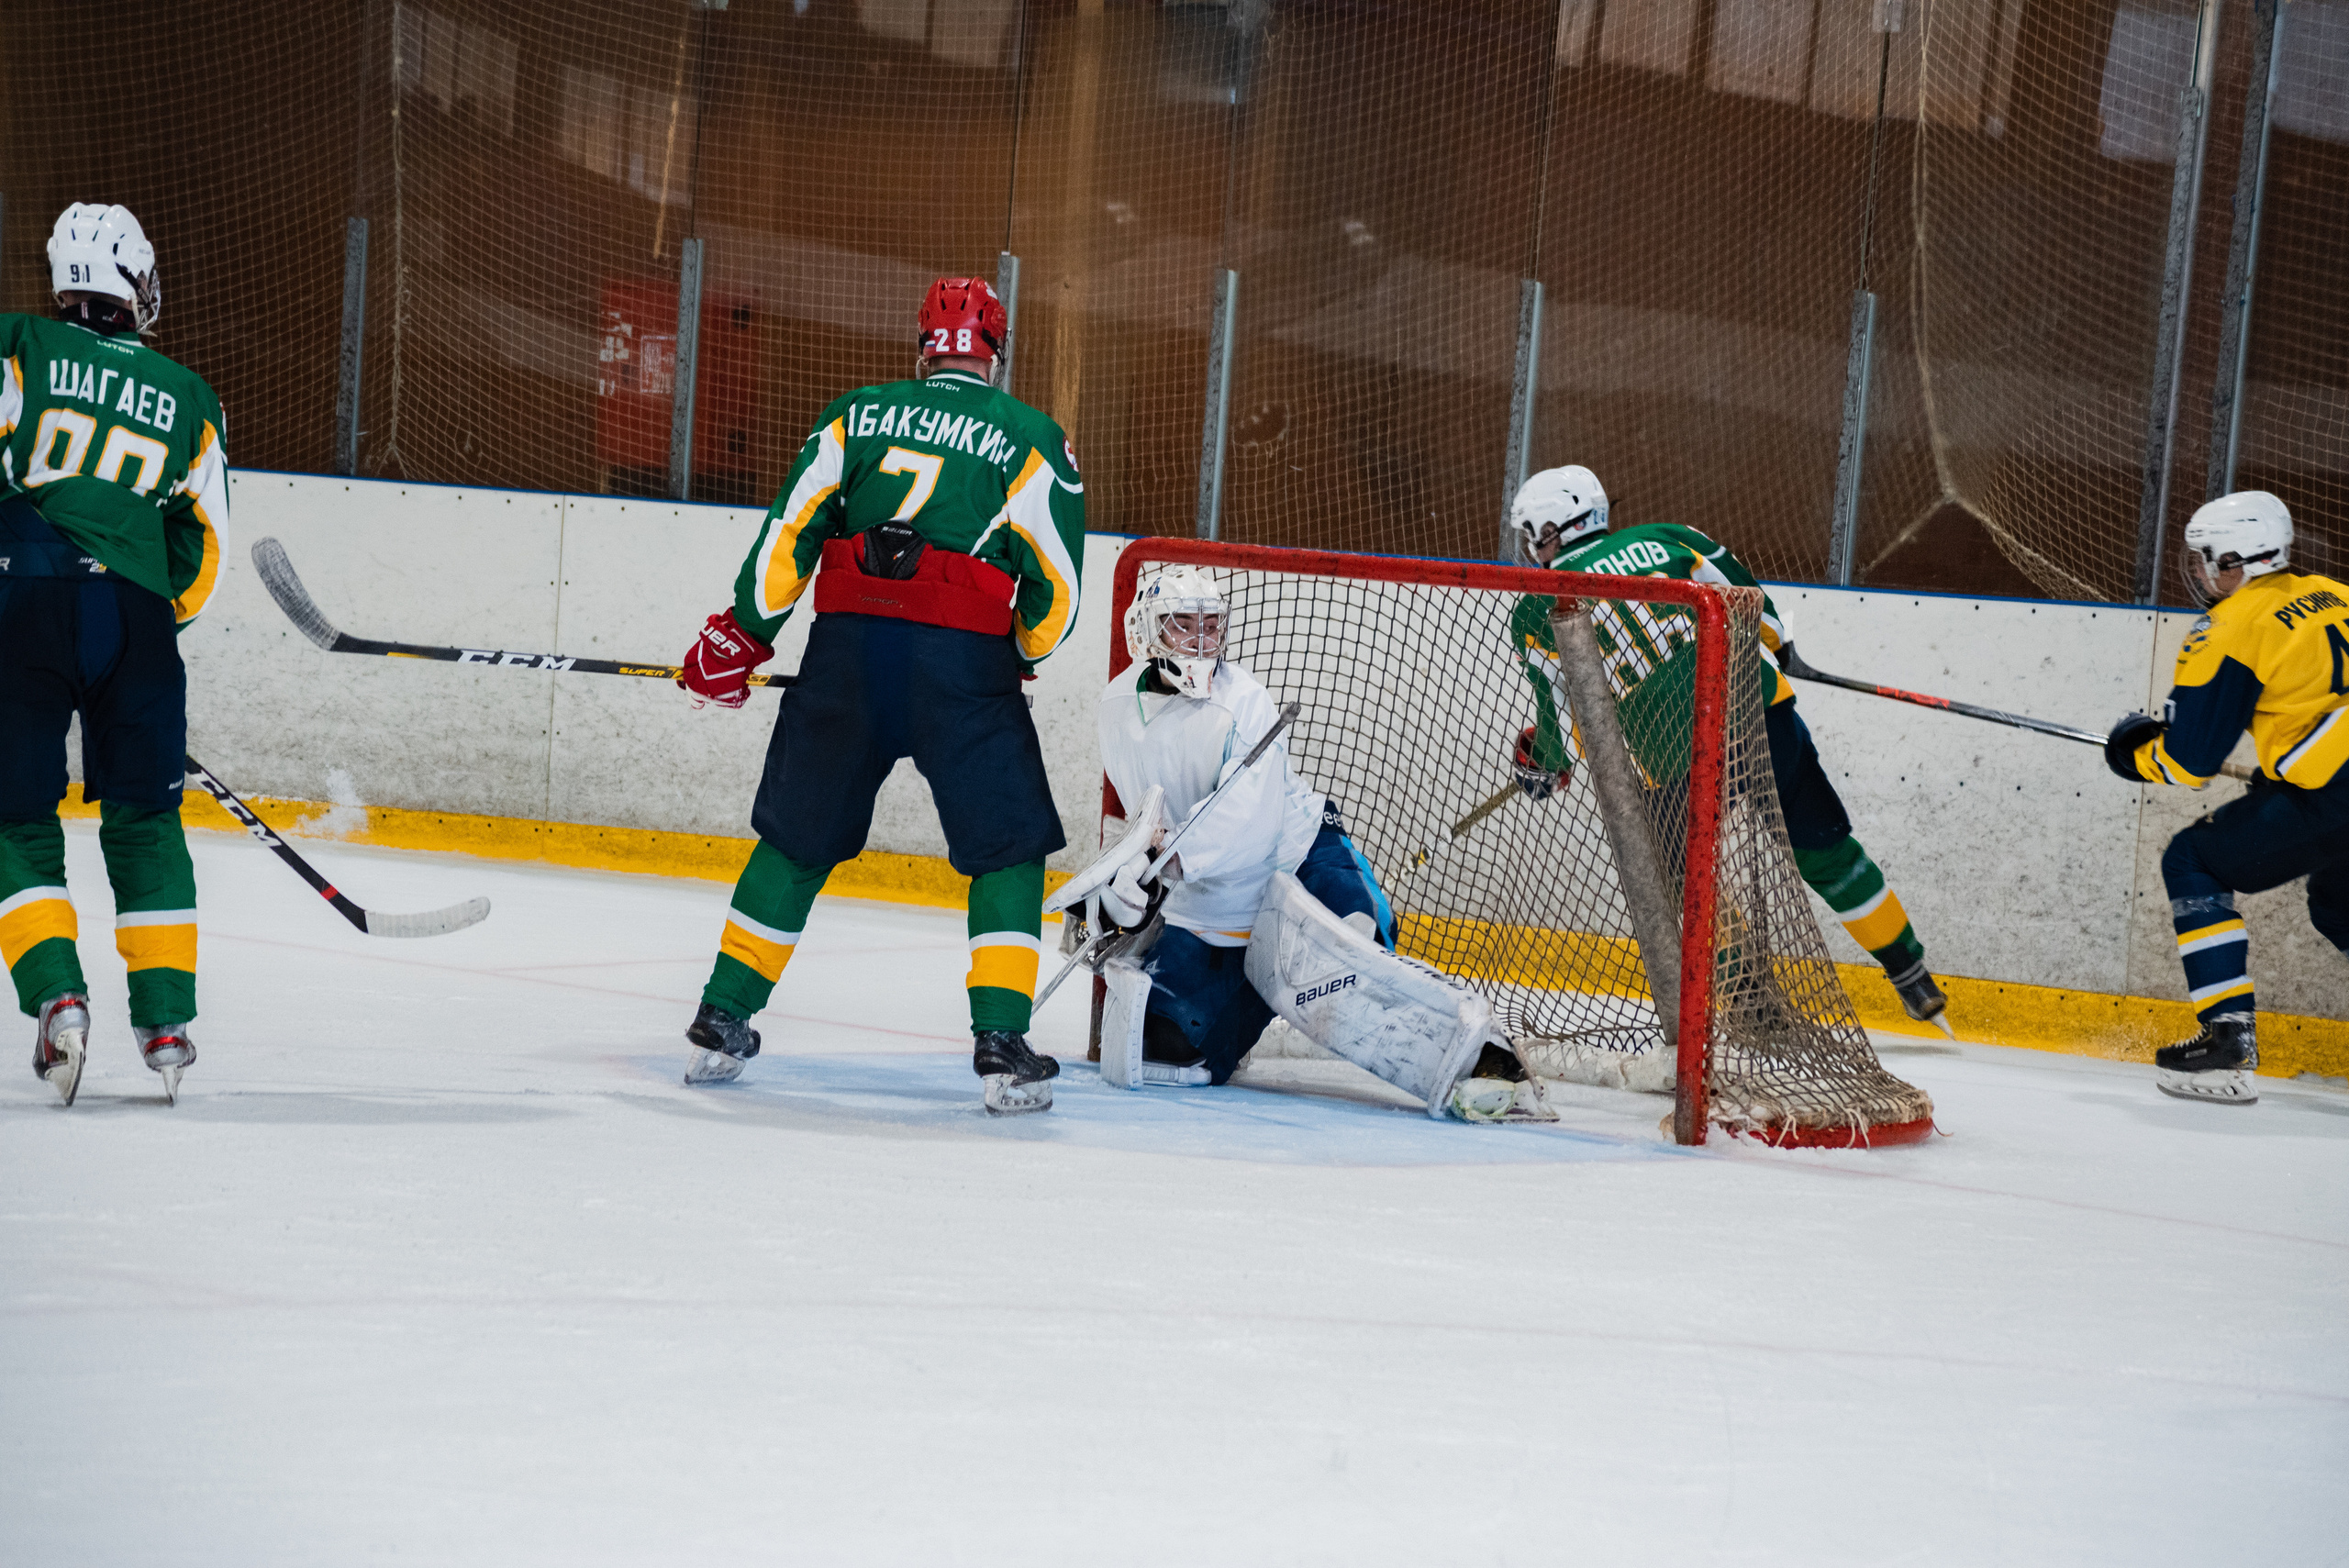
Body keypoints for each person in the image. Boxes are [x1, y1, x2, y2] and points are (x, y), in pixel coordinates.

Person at [674, 277, 1085, 1114]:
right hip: (963, 671)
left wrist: (743, 637)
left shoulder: (854, 414)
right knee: (1007, 849)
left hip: (847, 656)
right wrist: (1020, 648)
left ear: (924, 343)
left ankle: (724, 1014)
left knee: (797, 838)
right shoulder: (1034, 439)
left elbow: (792, 530)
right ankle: (1001, 1040)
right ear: (995, 349)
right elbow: (1059, 589)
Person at [1076, 566, 1539, 1114]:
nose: (1200, 642)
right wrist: (1132, 877)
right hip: (1212, 902)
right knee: (1170, 1049)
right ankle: (1248, 996)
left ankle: (1484, 1056)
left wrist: (1166, 865)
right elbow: (1149, 811)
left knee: (1358, 961)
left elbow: (1248, 822)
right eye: (1181, 625)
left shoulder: (1243, 700)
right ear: (1146, 633)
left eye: (1210, 626)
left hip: (1300, 860)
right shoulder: (1114, 707)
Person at [1503, 464, 1950, 1031]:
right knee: (1826, 850)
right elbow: (1751, 602)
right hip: (1763, 716)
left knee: (1684, 885)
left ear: (1550, 529)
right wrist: (1780, 647)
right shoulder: (1668, 537)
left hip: (1673, 760)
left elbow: (1560, 719)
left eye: (1530, 533)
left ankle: (1752, 1004)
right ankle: (1911, 974)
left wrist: (1540, 763)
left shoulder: (1536, 608)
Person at [0, 204, 228, 1106]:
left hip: (24, 601)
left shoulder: (18, 342)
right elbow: (201, 547)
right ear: (135, 282)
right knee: (145, 820)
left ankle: (59, 997)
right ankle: (166, 1020)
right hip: (135, 621)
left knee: (15, 820)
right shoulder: (191, 393)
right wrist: (141, 644)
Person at [2105, 491, 2349, 1106]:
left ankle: (2227, 1038)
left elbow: (2190, 761)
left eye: (2205, 558)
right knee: (2338, 903)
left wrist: (2132, 753)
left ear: (2236, 557)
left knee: (2193, 859)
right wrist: (2292, 765)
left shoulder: (2232, 625)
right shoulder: (2334, 593)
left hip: (2338, 796)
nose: (2200, 572)